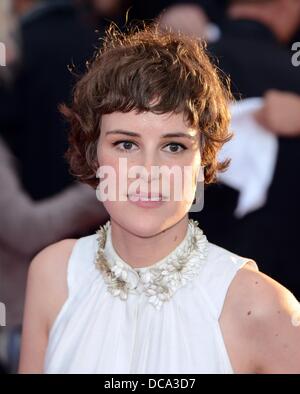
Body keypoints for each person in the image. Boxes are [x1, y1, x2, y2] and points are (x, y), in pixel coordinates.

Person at [19, 25, 300, 374]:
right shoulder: (54, 274)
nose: (149, 170)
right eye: (126, 144)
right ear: (94, 154)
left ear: (204, 162)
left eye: (173, 146)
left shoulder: (263, 308)